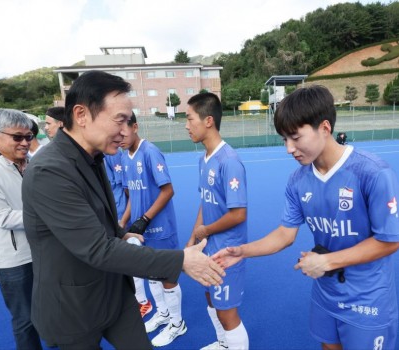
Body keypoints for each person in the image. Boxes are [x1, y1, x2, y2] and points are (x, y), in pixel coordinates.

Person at [21, 70, 224, 349]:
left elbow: (98, 219)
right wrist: (180, 261)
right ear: (81, 115)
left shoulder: (94, 156)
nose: (125, 130)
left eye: (129, 121)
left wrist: (122, 233)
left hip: (114, 295)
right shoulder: (49, 170)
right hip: (74, 309)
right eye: (120, 120)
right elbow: (96, 248)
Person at [213, 85, 399, 350]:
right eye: (284, 139)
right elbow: (284, 234)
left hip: (367, 299)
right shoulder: (298, 180)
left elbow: (390, 240)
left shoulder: (372, 173)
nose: (289, 148)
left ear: (324, 128)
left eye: (295, 137)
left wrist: (326, 260)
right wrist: (242, 251)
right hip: (326, 293)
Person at [185, 93, 249, 350]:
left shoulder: (229, 161)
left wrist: (206, 230)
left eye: (190, 119)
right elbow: (206, 201)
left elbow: (238, 214)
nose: (187, 126)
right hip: (209, 246)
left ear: (208, 120)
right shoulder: (204, 160)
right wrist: (193, 237)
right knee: (210, 298)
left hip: (228, 250)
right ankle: (224, 344)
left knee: (227, 313)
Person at [119, 114, 186, 347]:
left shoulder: (150, 152)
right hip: (140, 231)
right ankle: (164, 314)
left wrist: (145, 218)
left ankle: (178, 324)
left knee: (167, 277)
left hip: (160, 228)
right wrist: (124, 221)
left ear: (135, 127)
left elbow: (168, 191)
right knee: (150, 276)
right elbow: (131, 196)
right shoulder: (124, 156)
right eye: (117, 134)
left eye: (124, 132)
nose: (120, 138)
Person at [0, 109, 42, 349]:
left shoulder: (33, 163)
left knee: (50, 306)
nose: (25, 142)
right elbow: (2, 217)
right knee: (25, 320)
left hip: (44, 251)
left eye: (28, 137)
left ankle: (55, 338)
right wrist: (49, 216)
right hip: (14, 261)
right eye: (17, 137)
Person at [104, 143, 154, 319]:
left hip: (120, 218)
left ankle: (142, 302)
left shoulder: (113, 154)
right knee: (115, 262)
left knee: (129, 261)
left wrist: (124, 220)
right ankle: (131, 299)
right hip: (111, 218)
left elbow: (129, 192)